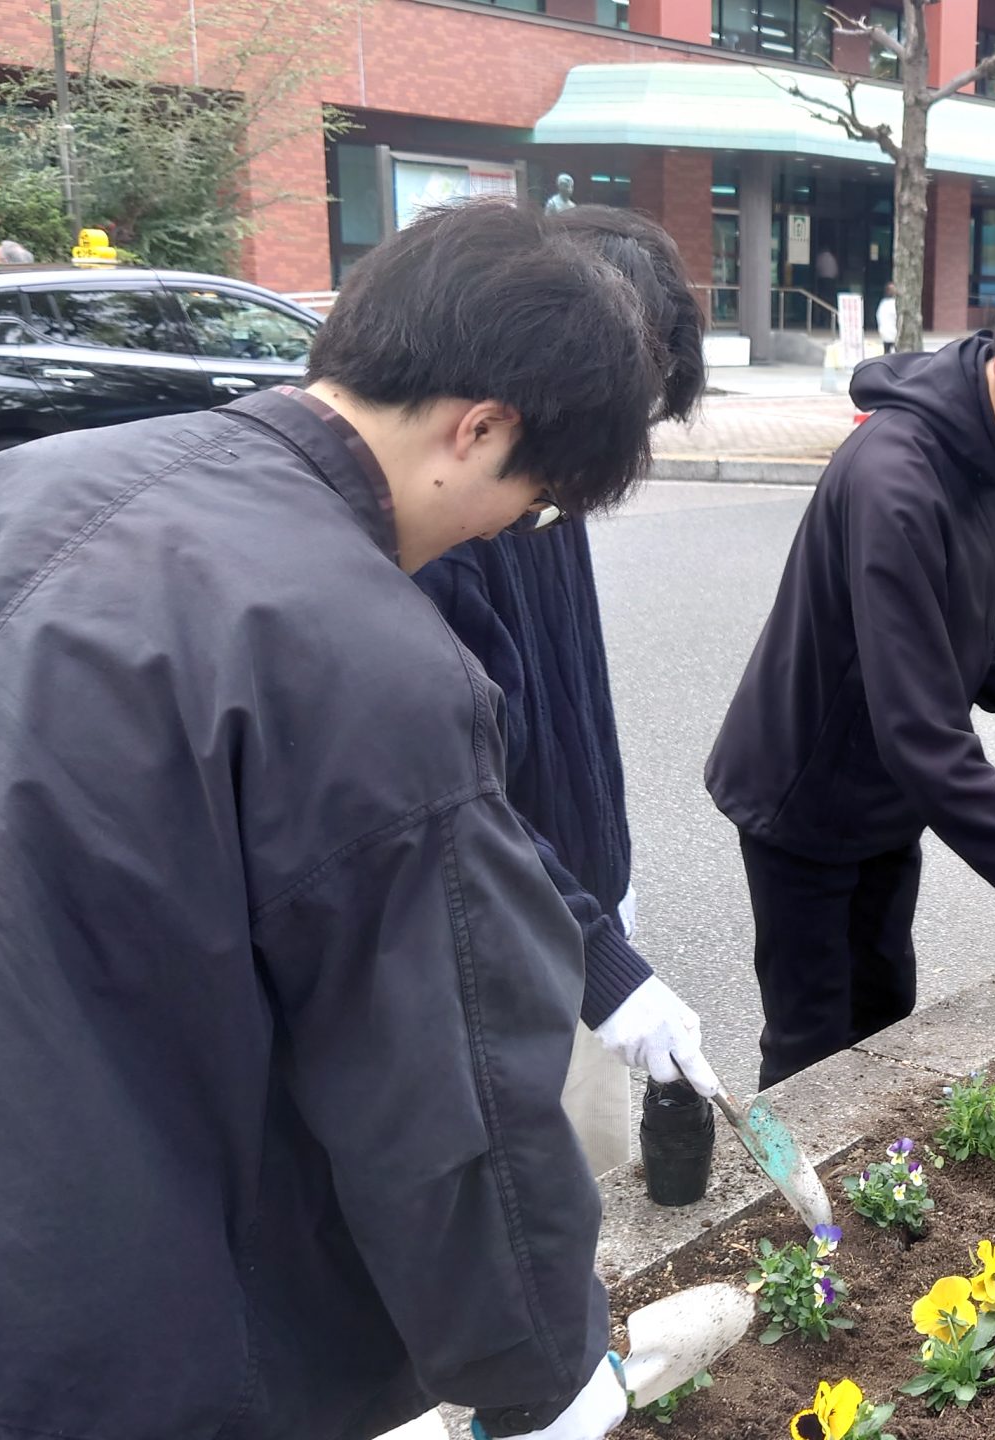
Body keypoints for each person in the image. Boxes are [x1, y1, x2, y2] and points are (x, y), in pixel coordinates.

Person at [0, 199, 669, 1440]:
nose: (509, 533)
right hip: (24, 1315)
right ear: (479, 429)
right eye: (533, 501)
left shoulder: (6, 487)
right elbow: (449, 1096)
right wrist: (543, 1370)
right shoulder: (370, 657)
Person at [706, 251, 995, 1089]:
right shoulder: (897, 479)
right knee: (812, 1041)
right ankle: (792, 1213)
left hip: (883, 796)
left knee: (884, 1010)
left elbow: (951, 614)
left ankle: (874, 1202)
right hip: (804, 797)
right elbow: (920, 734)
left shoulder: (993, 454)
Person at [412, 205, 716, 1173]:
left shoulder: (545, 489)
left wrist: (609, 879)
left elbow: (575, 701)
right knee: (538, 1201)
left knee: (596, 1176)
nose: (582, 494)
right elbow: (458, 801)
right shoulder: (446, 535)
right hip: (512, 941)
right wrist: (600, 959)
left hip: (575, 907)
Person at [876, 281, 899, 354]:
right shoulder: (890, 303)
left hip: (887, 331)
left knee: (888, 352)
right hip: (892, 331)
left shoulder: (883, 303)